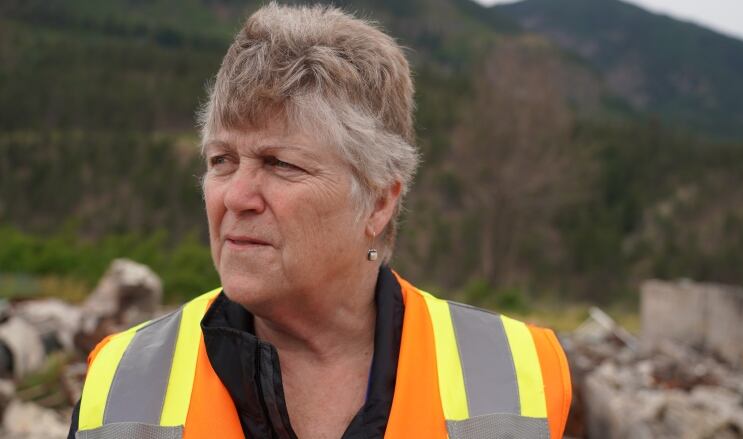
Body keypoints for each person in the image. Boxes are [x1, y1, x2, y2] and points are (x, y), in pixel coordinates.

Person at [68, 3, 571, 438]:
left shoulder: (519, 377)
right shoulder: (122, 383)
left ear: (378, 201)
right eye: (222, 160)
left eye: (280, 164)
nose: (237, 196)